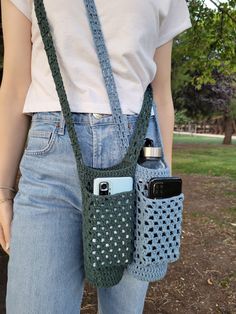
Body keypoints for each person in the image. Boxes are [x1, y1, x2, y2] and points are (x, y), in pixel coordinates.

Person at [0, 0, 192, 313]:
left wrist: (165, 193)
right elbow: (15, 84)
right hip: (51, 163)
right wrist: (3, 190)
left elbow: (161, 94)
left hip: (140, 164)